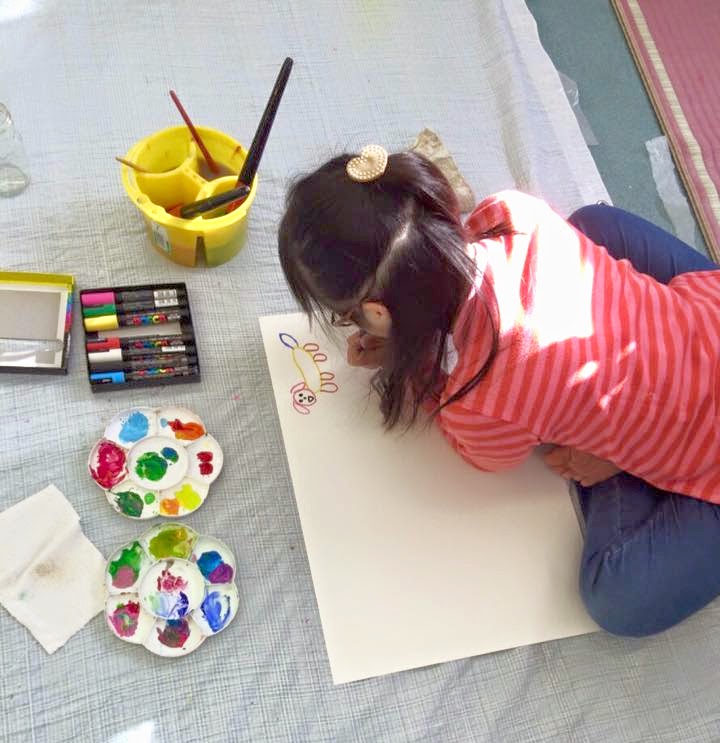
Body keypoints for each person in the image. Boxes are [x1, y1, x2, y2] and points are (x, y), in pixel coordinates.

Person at [278, 145, 720, 637]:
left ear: (379, 313)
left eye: (347, 316)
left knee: (617, 599)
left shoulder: (477, 400)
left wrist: (412, 357)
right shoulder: (511, 214)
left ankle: (633, 447)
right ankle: (628, 414)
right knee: (591, 225)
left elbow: (489, 457)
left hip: (709, 458)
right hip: (708, 320)